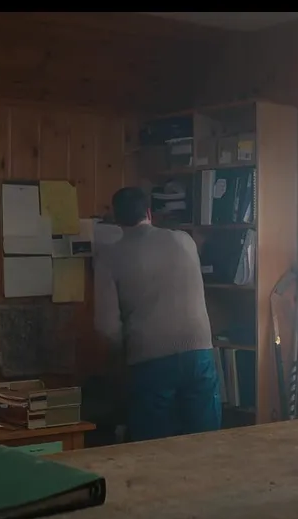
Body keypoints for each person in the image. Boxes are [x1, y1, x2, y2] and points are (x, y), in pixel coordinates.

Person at [94, 187, 221, 441]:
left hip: (150, 358)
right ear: (149, 213)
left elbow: (106, 326)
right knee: (206, 441)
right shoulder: (184, 241)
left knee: (154, 447)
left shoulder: (109, 257)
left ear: (117, 219)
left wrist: (122, 353)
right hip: (199, 351)